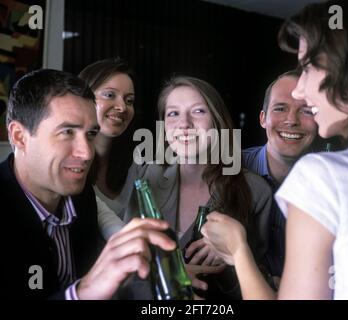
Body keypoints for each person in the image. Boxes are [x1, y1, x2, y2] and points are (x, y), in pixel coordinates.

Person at [202, 0, 348, 300]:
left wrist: (239, 251)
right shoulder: (227, 168)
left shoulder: (324, 176)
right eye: (280, 108)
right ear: (263, 118)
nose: (300, 90)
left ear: (345, 67)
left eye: (308, 68)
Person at [0, 69, 176, 299]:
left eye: (91, 134)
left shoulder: (81, 199)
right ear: (19, 136)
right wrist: (83, 292)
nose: (86, 153)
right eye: (67, 132)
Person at [117, 75, 274, 299]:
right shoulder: (144, 177)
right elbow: (123, 268)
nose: (184, 124)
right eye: (173, 114)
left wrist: (231, 257)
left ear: (217, 120)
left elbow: (259, 282)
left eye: (198, 111)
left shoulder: (256, 190)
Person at [242, 69, 318, 278]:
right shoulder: (230, 171)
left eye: (307, 111)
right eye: (280, 108)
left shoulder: (333, 181)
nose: (291, 120)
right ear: (262, 118)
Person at [79, 58, 137, 240]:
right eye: (110, 95)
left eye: (129, 100)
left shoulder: (136, 165)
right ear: (83, 97)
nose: (122, 107)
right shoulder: (68, 163)